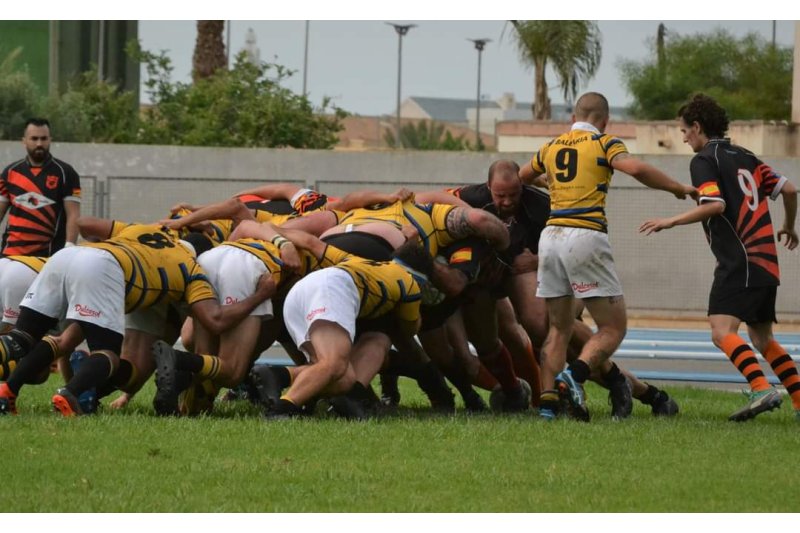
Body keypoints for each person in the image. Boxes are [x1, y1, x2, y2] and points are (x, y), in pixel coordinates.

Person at [521, 92, 695, 421]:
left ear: (573, 118)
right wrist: (676, 188)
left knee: (559, 328)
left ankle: (547, 405)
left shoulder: (551, 147)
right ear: (605, 121)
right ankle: (573, 376)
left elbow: (522, 177)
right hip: (584, 235)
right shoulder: (604, 143)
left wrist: (554, 186)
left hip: (551, 237)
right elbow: (636, 168)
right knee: (613, 328)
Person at [0, 221, 273, 416]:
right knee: (107, 353)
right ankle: (70, 393)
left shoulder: (142, 228)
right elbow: (214, 321)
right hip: (106, 269)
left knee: (21, 338)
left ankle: (8, 391)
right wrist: (260, 295)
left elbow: (87, 224)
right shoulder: (192, 267)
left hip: (67, 255)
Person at [640, 93, 799, 422]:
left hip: (739, 261)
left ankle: (760, 388)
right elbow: (789, 189)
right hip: (766, 261)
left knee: (721, 330)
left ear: (697, 127)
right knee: (762, 337)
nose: (684, 138)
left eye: (684, 131)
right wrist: (788, 226)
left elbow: (715, 205)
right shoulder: (747, 156)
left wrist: (670, 221)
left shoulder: (704, 160)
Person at [0, 118, 81, 257]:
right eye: (34, 138)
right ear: (24, 141)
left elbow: (73, 214)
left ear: (50, 140)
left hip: (48, 256)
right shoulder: (10, 172)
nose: (39, 143)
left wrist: (70, 246)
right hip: (10, 254)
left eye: (43, 139)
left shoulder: (66, 173)